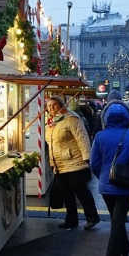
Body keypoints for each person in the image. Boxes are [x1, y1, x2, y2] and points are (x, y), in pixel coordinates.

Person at [90, 99, 129, 256]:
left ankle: (125, 246)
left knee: (116, 218)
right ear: (127, 117)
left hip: (107, 186)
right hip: (125, 185)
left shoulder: (100, 136)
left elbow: (94, 163)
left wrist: (103, 178)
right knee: (117, 221)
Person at [45, 96, 101, 230]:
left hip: (74, 161)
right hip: (60, 164)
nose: (51, 108)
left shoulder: (71, 118)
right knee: (66, 193)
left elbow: (82, 138)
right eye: (49, 106)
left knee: (81, 191)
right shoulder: (51, 123)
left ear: (61, 105)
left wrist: (87, 157)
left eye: (54, 105)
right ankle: (71, 220)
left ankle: (92, 218)